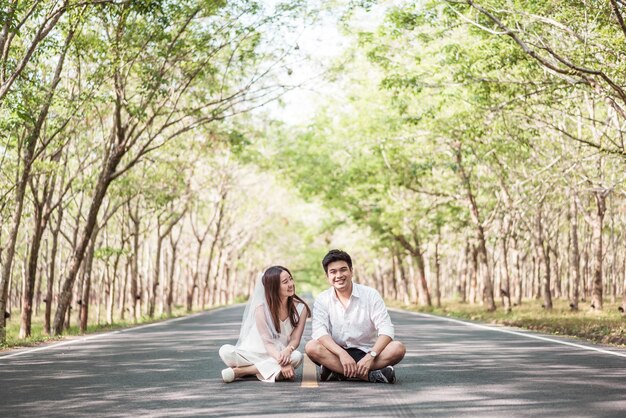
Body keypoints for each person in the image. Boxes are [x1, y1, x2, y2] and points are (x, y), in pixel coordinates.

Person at [305, 249, 406, 384]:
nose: (339, 275)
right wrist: (342, 354)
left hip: (368, 353)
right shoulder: (322, 299)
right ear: (327, 276)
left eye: (343, 270)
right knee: (312, 347)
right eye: (333, 272)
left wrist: (371, 356)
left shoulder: (370, 294)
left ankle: (338, 372)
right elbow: (320, 332)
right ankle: (369, 376)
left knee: (398, 348)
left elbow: (386, 329)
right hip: (336, 354)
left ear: (351, 271)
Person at [219, 265, 310, 383]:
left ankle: (241, 372)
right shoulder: (261, 308)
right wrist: (282, 362)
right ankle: (270, 370)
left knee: (297, 357)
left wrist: (288, 351)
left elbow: (295, 339)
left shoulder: (301, 308)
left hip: (281, 353)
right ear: (274, 287)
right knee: (225, 351)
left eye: (291, 279)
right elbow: (267, 343)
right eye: (285, 282)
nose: (291, 284)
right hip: (252, 354)